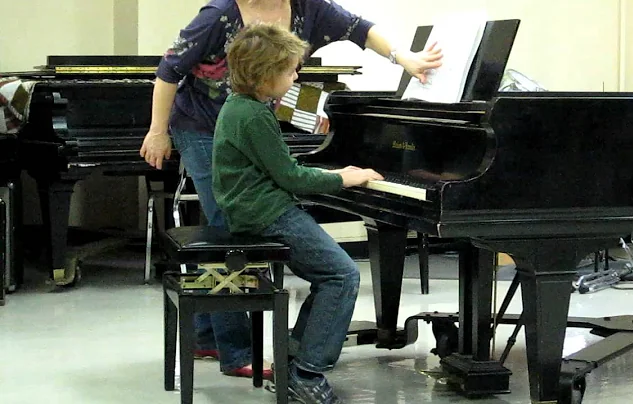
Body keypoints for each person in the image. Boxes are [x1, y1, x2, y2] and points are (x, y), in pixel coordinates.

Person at [140, 0, 442, 381]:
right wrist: (157, 131)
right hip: (200, 123)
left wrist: (405, 58)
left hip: (246, 111)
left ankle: (206, 333)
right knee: (228, 228)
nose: (297, 74)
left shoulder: (307, 11)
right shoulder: (218, 15)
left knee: (232, 225)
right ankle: (236, 353)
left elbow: (359, 29)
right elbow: (169, 70)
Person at [213, 22, 382, 403]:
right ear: (264, 75)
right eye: (290, 70)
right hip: (266, 213)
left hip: (254, 207)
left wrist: (328, 174)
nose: (296, 76)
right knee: (342, 275)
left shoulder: (240, 106)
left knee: (330, 275)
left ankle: (292, 359)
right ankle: (306, 372)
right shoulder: (255, 116)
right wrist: (343, 178)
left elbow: (280, 166)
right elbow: (291, 177)